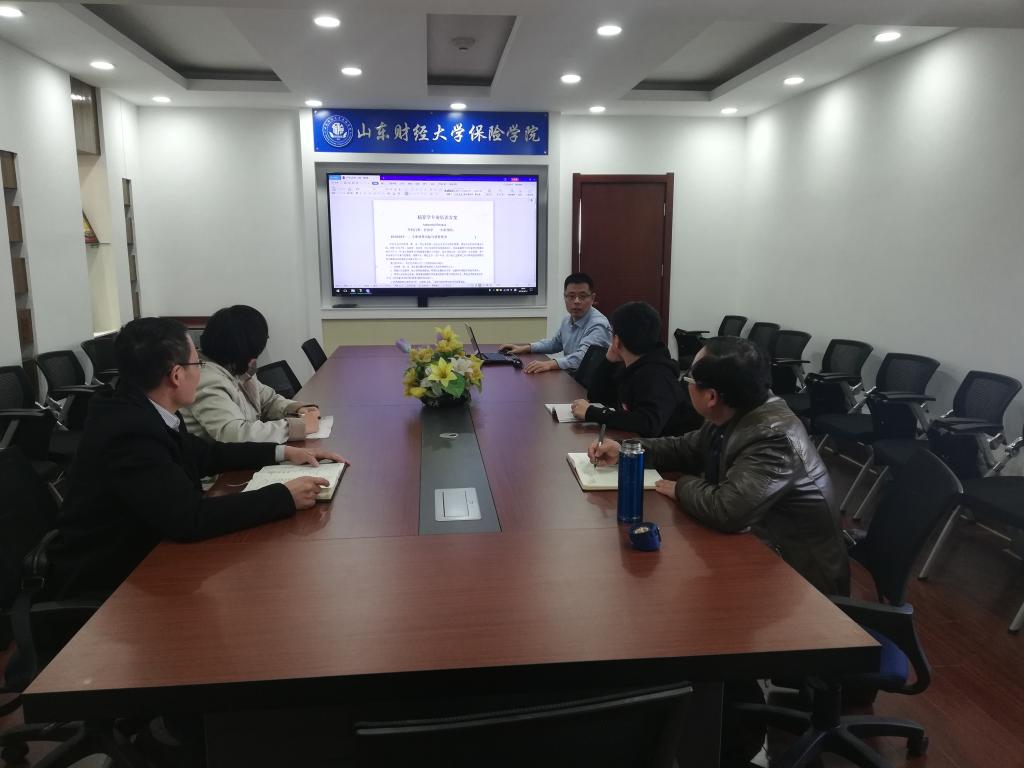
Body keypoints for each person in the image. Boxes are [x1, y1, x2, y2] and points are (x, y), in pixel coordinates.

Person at [48, 317, 343, 599]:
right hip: (115, 580)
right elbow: (190, 518)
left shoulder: (141, 408)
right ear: (177, 375)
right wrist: (283, 496)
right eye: (197, 364)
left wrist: (282, 453)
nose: (201, 371)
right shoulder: (130, 434)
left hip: (146, 552)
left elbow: (206, 454)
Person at [588, 336, 849, 596]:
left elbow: (727, 510)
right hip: (755, 551)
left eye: (690, 379)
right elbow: (684, 448)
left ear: (711, 396)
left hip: (800, 585)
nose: (686, 383)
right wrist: (626, 450)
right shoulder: (734, 409)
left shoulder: (773, 436)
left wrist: (681, 487)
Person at [183, 305, 320, 443]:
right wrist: (296, 428)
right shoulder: (206, 380)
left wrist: (296, 409)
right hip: (220, 456)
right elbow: (233, 434)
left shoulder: (235, 366)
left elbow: (268, 401)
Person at [568, 301, 692, 438]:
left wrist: (592, 413)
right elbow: (598, 397)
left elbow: (648, 423)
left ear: (616, 341)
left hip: (660, 449)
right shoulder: (631, 365)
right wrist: (608, 360)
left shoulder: (658, 375)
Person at [499, 272, 611, 374]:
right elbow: (555, 344)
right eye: (571, 296)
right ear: (564, 297)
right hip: (572, 377)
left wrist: (550, 364)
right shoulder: (567, 320)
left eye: (582, 296)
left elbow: (583, 358)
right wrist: (526, 348)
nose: (576, 301)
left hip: (589, 385)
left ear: (592, 298)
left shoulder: (599, 325)